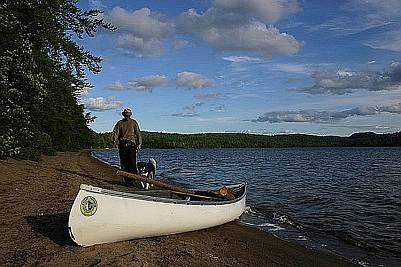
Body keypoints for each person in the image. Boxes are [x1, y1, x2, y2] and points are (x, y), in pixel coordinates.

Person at [112, 108, 142, 185]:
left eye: (128, 115)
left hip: (131, 144)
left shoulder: (133, 122)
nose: (127, 116)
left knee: (131, 162)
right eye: (126, 115)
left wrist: (139, 143)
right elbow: (116, 133)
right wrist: (114, 141)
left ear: (130, 115)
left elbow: (138, 133)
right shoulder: (120, 123)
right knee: (125, 163)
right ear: (124, 115)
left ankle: (132, 179)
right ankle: (128, 180)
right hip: (123, 144)